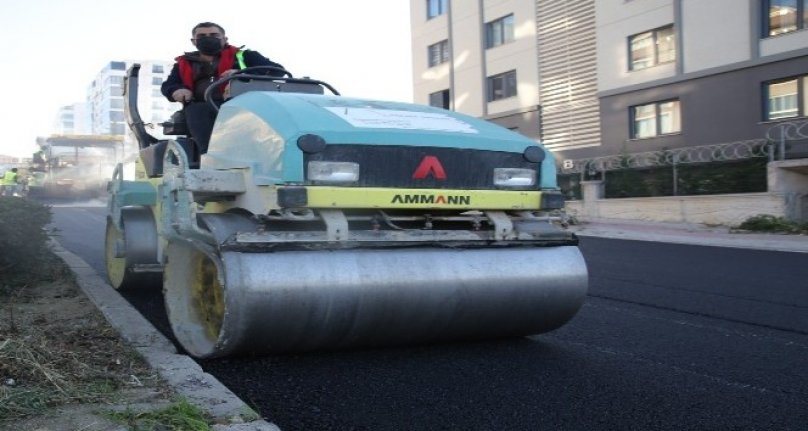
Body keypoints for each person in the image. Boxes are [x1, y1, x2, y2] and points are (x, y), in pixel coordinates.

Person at [161, 22, 286, 155]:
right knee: (198, 110)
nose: (208, 38)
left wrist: (242, 74)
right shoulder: (183, 63)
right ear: (194, 41)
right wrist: (176, 90)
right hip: (201, 107)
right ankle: (209, 156)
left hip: (241, 105)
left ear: (225, 39)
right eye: (202, 36)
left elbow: (277, 71)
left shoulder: (245, 56)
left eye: (214, 35)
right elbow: (169, 85)